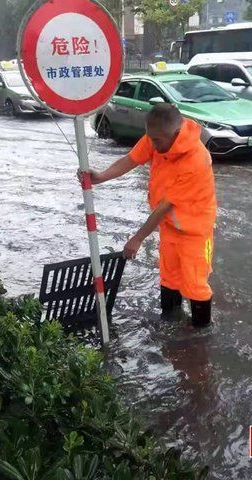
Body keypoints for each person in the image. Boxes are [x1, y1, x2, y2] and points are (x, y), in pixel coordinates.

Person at [81, 104, 217, 326]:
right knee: (169, 276)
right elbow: (132, 159)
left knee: (195, 284)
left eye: (157, 141)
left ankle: (200, 337)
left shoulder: (195, 160)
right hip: (170, 225)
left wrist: (137, 239)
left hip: (196, 230)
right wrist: (101, 177)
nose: (152, 145)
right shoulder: (157, 137)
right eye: (150, 139)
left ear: (175, 134)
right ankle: (170, 323)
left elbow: (164, 206)